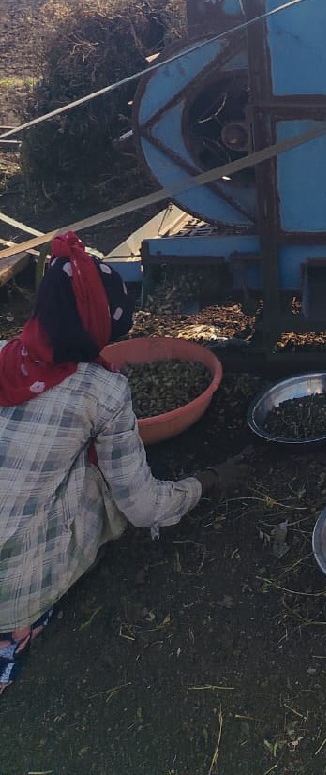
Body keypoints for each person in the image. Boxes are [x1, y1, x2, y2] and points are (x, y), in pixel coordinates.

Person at [0, 232, 240, 695]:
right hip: (9, 594)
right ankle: (19, 624)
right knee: (104, 482)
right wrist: (208, 482)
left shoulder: (5, 354)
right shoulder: (101, 391)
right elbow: (142, 507)